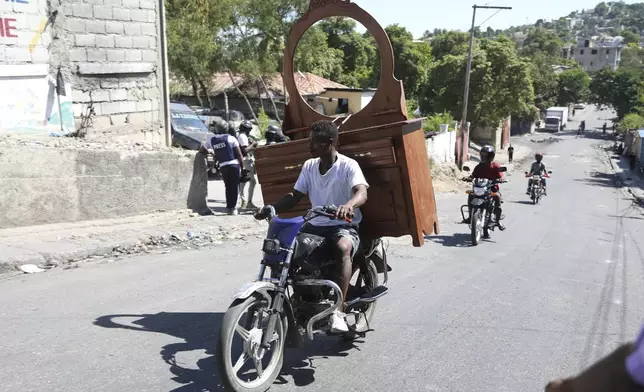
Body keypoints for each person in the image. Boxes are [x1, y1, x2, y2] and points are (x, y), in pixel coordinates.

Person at [255, 120, 369, 333]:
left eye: (313, 143)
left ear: (329, 143)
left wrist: (349, 205)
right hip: (315, 225)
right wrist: (271, 208)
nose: (309, 147)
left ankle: (338, 312)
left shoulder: (348, 165)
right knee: (287, 250)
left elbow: (361, 191)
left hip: (342, 225)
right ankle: (293, 302)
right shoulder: (309, 166)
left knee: (343, 247)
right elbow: (295, 196)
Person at [199, 130, 244, 215]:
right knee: (234, 187)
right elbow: (239, 154)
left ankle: (229, 207)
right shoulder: (231, 138)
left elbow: (201, 150)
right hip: (234, 165)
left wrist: (210, 151)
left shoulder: (212, 140)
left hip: (223, 166)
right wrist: (243, 167)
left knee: (227, 187)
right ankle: (233, 208)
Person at [462, 145, 505, 231]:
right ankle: (471, 216)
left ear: (491, 156)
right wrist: (469, 178)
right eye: (483, 154)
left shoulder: (495, 166)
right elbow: (473, 175)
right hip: (480, 188)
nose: (484, 156)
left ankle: (497, 219)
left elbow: (501, 175)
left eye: (487, 155)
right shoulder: (479, 166)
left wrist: (501, 179)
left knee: (497, 196)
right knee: (470, 195)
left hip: (492, 188)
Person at [237, 120, 259, 209]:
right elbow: (245, 150)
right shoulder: (242, 136)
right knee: (251, 181)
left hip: (246, 161)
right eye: (248, 129)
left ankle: (243, 200)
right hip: (246, 161)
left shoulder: (242, 136)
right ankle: (247, 202)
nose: (249, 131)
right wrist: (253, 145)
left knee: (244, 181)